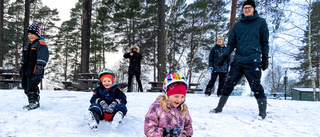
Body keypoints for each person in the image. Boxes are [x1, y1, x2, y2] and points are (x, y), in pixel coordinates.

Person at [210, 0, 269, 119]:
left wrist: (265, 57)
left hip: (253, 60)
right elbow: (231, 43)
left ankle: (262, 112)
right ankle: (219, 107)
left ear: (253, 9)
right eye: (244, 8)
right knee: (228, 84)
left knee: (256, 86)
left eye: (249, 7)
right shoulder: (237, 25)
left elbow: (265, 42)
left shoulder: (261, 23)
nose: (246, 10)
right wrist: (225, 55)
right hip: (238, 61)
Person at [20, 23, 49, 110]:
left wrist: (40, 66)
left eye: (32, 34)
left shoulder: (41, 44)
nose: (30, 36)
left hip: (35, 70)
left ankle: (34, 101)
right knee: (25, 86)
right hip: (26, 70)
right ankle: (31, 101)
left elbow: (43, 56)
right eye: (29, 34)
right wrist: (22, 67)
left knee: (32, 85)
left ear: (37, 34)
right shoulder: (28, 46)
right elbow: (24, 58)